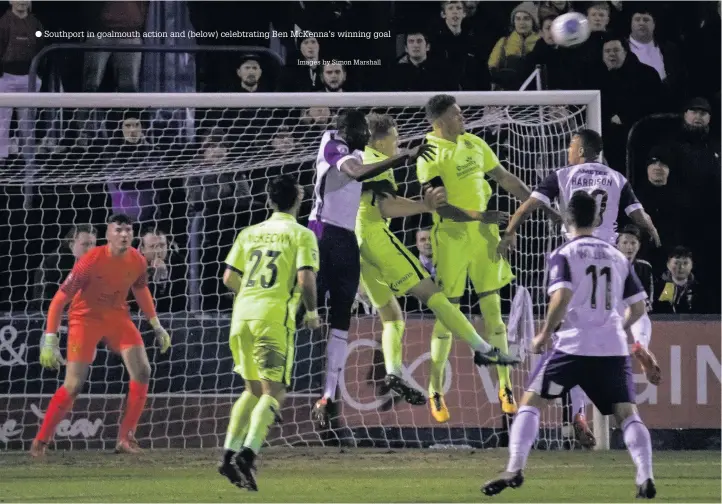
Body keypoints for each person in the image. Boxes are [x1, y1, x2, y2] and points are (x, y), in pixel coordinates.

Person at [482, 191, 660, 500]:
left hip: (572, 346)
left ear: (567, 218)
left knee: (531, 403)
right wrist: (616, 328)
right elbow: (639, 308)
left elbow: (561, 298)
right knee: (628, 415)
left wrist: (542, 334)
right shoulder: (617, 256)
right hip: (612, 349)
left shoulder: (564, 254)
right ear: (597, 219)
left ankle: (514, 467)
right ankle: (645, 475)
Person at [498, 129, 661, 445]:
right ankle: (637, 342)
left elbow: (529, 205)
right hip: (611, 261)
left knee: (569, 341)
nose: (568, 151)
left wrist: (510, 230)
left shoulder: (563, 174)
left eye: (571, 146)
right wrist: (652, 229)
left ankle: (577, 413)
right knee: (637, 309)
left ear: (582, 150)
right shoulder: (615, 178)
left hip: (575, 259)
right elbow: (639, 214)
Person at [355, 113, 520, 408]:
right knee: (435, 296)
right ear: (380, 140)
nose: (399, 142)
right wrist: (424, 205)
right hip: (374, 237)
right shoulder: (374, 159)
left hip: (355, 244)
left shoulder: (363, 159)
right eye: (395, 137)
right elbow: (386, 207)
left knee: (392, 317)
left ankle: (393, 372)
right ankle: (483, 349)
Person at [416, 94, 547, 421]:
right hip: (452, 240)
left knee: (494, 312)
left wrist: (535, 201)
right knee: (449, 315)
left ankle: (505, 388)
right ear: (441, 121)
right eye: (457, 115)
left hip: (485, 239)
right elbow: (441, 207)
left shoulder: (474, 143)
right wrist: (482, 217)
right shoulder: (429, 152)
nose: (464, 119)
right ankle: (435, 389)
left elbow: (504, 178)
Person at [307, 109, 434, 429]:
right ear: (346, 130)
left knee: (340, 320)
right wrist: (403, 156)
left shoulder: (360, 151)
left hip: (348, 240)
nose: (365, 135)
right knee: (301, 311)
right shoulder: (331, 144)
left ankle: (327, 397)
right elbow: (356, 172)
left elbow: (377, 184)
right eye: (361, 131)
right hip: (321, 234)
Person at [30, 214, 171, 457]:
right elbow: (59, 300)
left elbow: (140, 288)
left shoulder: (137, 260)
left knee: (143, 371)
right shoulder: (90, 261)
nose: (124, 234)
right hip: (85, 319)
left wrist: (156, 324)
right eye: (118, 230)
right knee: (74, 384)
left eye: (128, 230)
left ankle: (126, 439)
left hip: (117, 317)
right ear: (108, 235)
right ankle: (41, 440)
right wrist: (50, 339)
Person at [218, 176, 320, 492]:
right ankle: (248, 454)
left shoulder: (249, 233)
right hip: (273, 319)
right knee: (274, 392)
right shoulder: (302, 235)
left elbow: (228, 278)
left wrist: (251, 295)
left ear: (270, 201)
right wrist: (313, 312)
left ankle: (227, 457)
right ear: (298, 200)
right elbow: (305, 280)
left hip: (241, 317)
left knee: (252, 391)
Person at [617, 225, 654, 349]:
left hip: (634, 309)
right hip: (611, 310)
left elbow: (648, 300)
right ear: (617, 244)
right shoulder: (609, 264)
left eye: (633, 243)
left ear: (639, 245)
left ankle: (641, 347)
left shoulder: (645, 267)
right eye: (625, 242)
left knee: (642, 314)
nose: (629, 247)